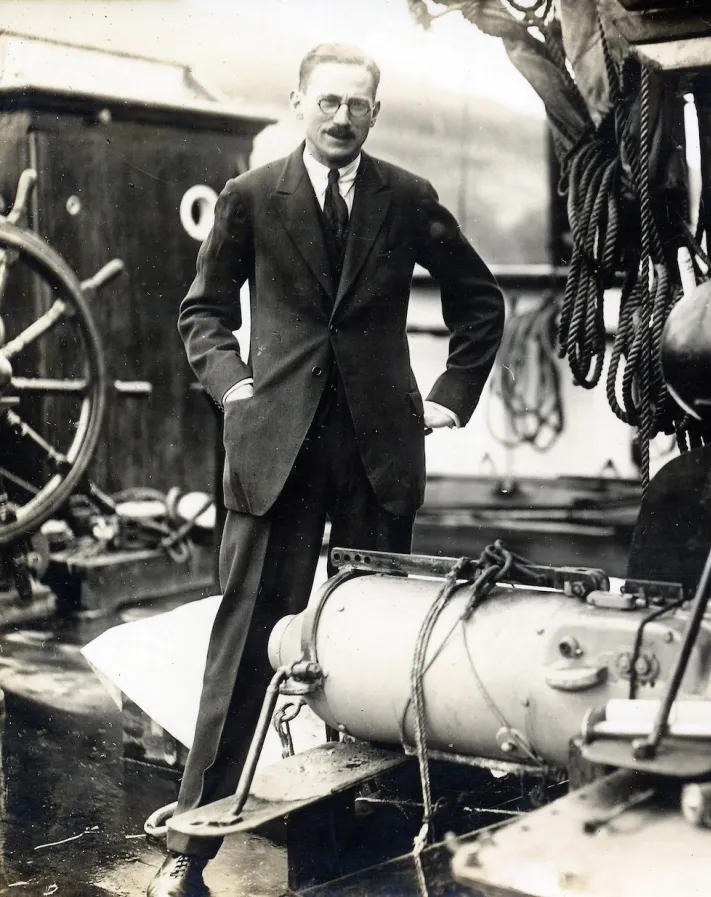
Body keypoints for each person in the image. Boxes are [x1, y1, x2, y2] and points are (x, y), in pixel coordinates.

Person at [147, 42, 505, 897]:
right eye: (329, 101)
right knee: (243, 649)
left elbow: (479, 300)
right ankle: (190, 840)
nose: (343, 117)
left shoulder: (407, 198)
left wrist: (449, 397)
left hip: (377, 454)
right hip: (278, 454)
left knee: (375, 653)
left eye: (359, 104)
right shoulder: (249, 195)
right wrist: (235, 389)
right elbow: (202, 311)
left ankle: (355, 843)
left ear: (374, 114)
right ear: (301, 103)